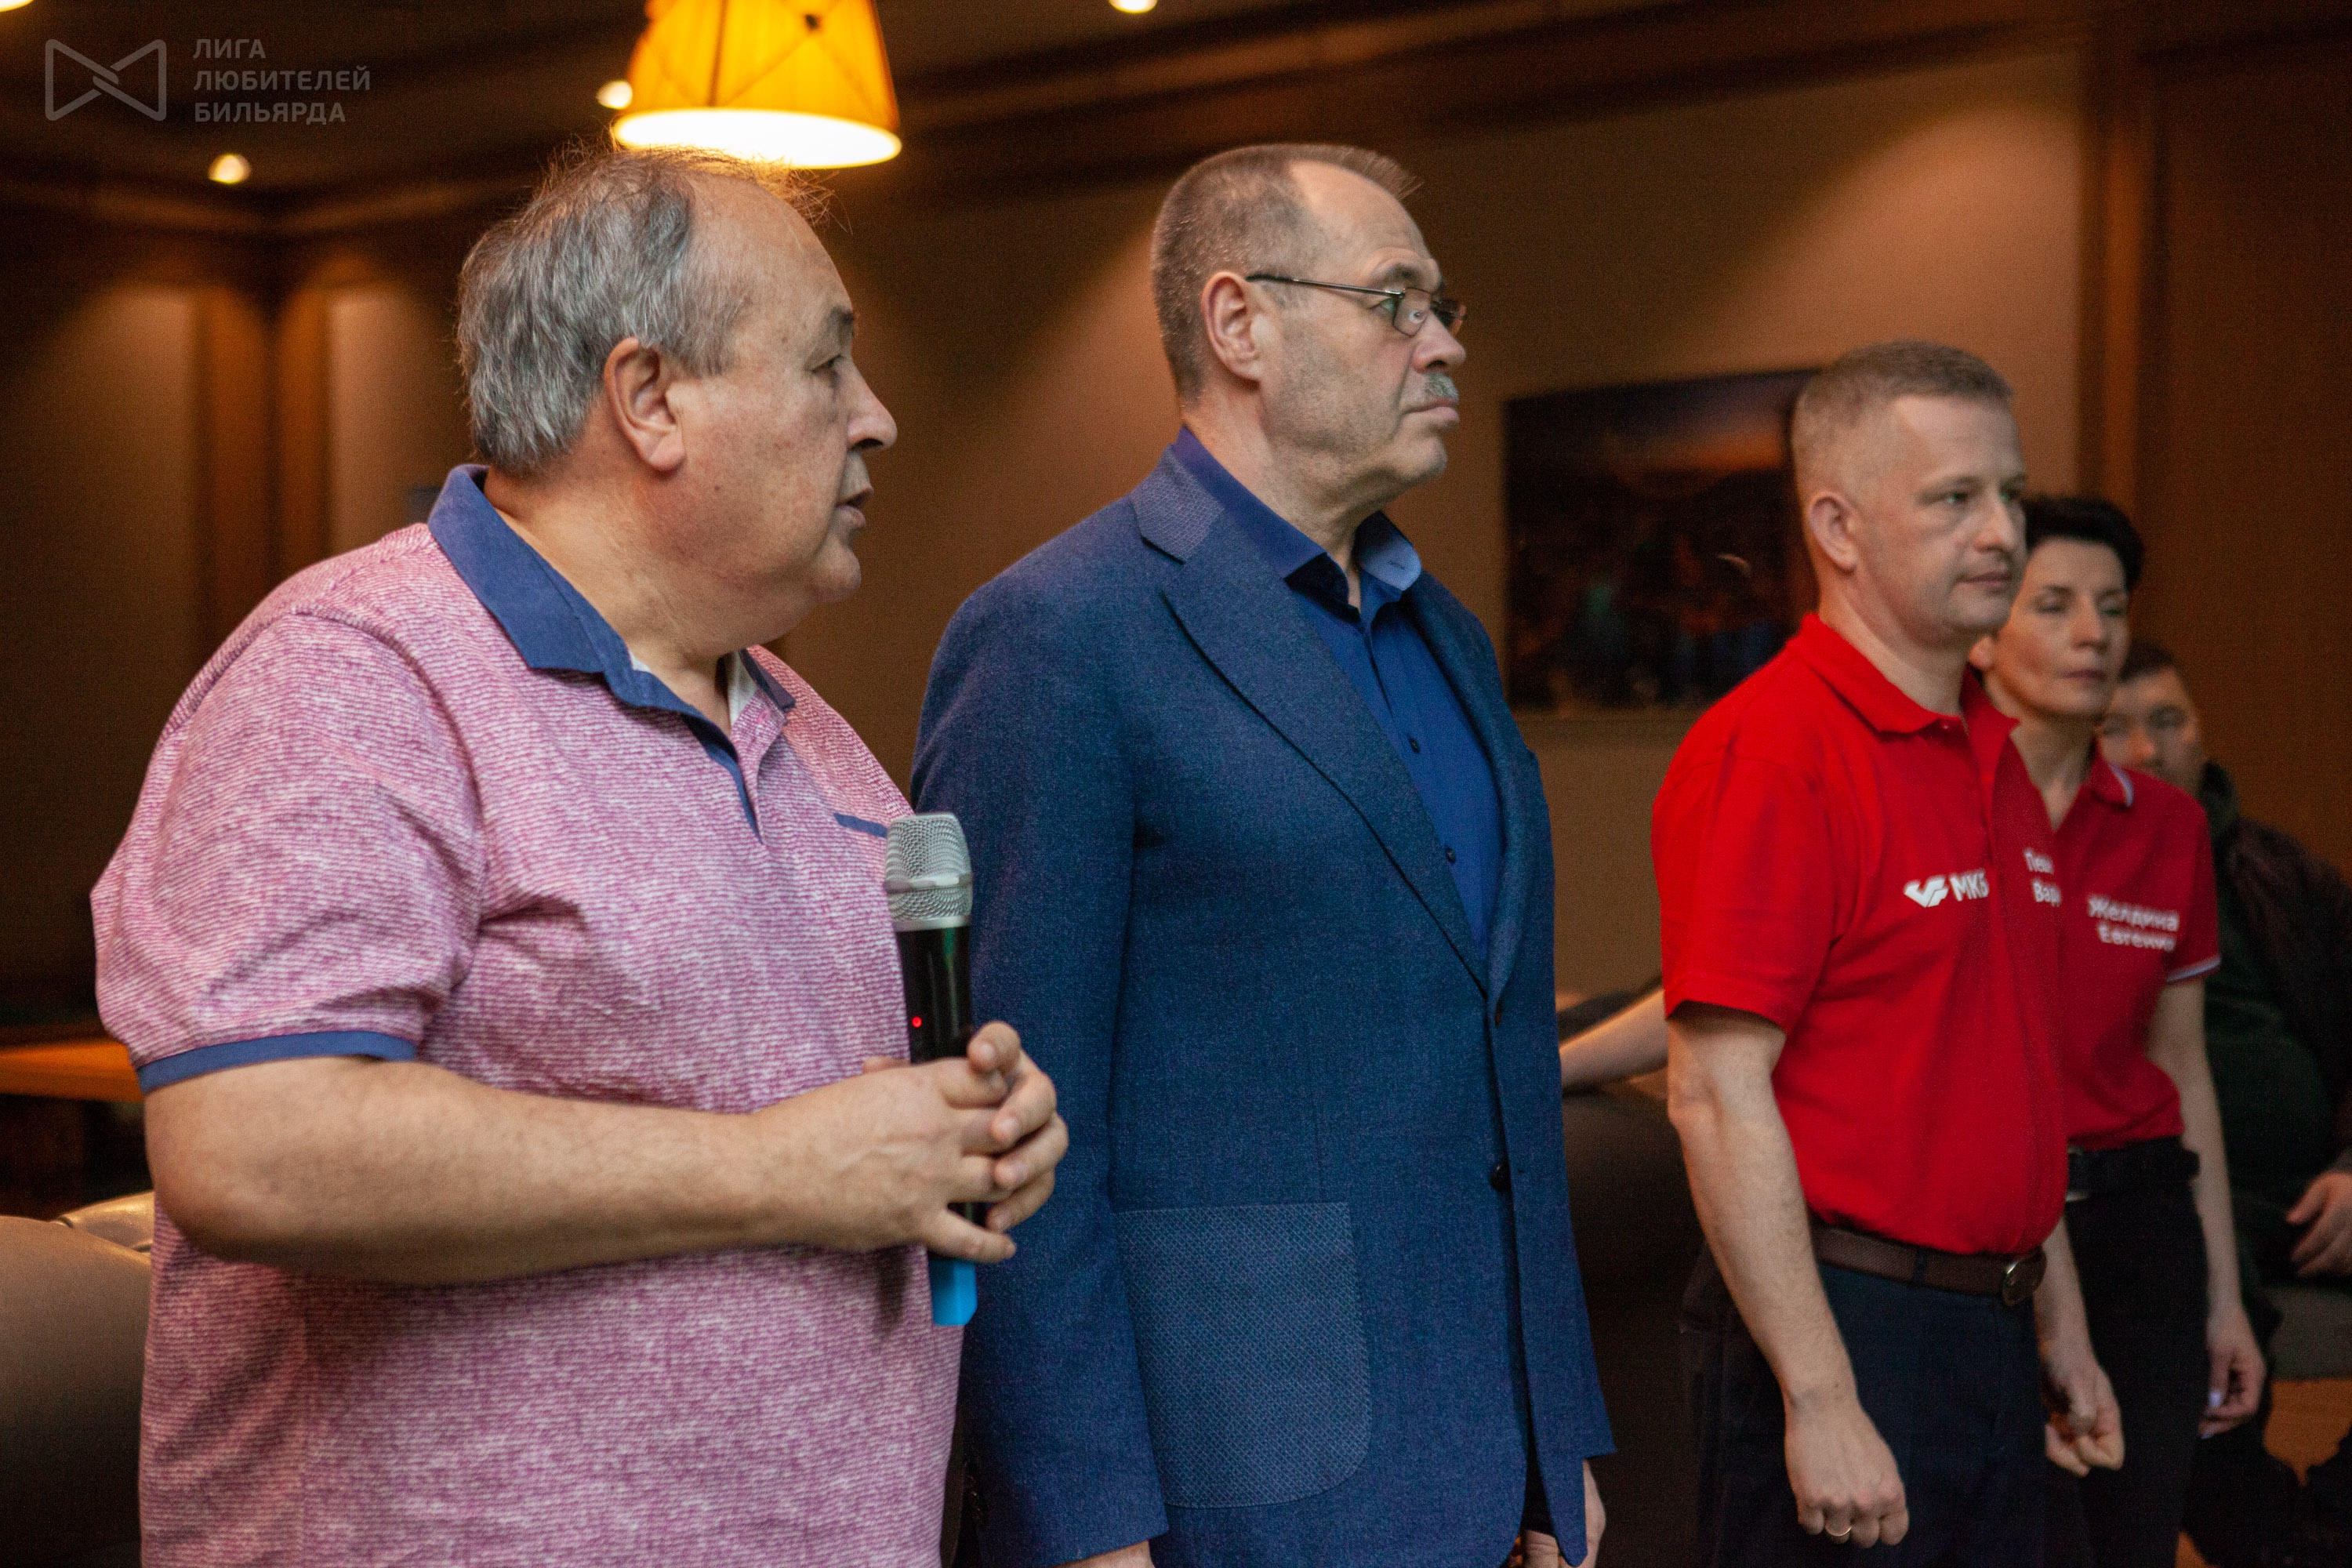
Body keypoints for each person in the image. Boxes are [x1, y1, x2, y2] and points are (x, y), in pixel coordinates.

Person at [91, 147, 1068, 1565]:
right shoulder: (354, 673)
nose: (878, 417)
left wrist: (964, 1130)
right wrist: (783, 1169)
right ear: (649, 397)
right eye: (826, 366)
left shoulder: (816, 737)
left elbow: (844, 1134)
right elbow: (254, 1145)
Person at [914, 143, 1612, 1568]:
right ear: (1240, 323)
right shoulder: (1061, 633)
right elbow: (1009, 1136)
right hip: (1226, 1489)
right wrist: (1083, 1528)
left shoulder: (1449, 636)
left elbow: (1502, 1089)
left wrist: (1560, 1450)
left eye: (1443, 305)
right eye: (1399, 301)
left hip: (1488, 1474)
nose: (1445, 342)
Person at [1655, 340, 2122, 1564]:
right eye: (1955, 498)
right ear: (1839, 528)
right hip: (1844, 1329)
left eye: (2011, 494)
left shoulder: (1993, 752)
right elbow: (1713, 1094)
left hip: (1994, 1327)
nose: (2003, 533)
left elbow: (2006, 1076)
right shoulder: (1773, 752)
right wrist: (1820, 1397)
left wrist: (2061, 1327)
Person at [1969, 496, 2264, 1566]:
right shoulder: (1945, 800)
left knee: (2133, 1539)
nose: (2095, 632)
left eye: (2113, 605)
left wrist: (2225, 1300)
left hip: (2142, 1224)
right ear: (1986, 629)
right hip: (1996, 1234)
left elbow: (2182, 1066)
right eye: (2054, 604)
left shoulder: (2169, 825)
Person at [2103, 641, 2352, 1567]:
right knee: (2198, 1290)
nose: (2148, 747)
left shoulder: (2281, 871)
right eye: (2117, 727)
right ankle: (2273, 1542)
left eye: (2169, 721)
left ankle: (2332, 1520)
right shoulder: (2074, 871)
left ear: (2203, 731)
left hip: (2315, 1184)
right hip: (2181, 1188)